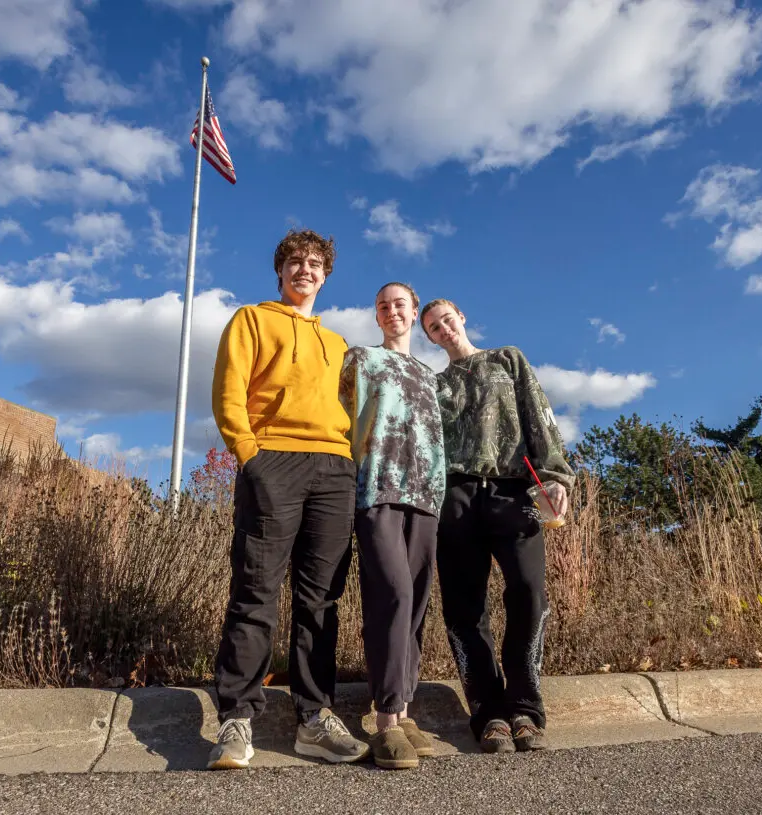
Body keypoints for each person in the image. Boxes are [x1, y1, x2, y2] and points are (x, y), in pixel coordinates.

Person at [206, 228, 370, 770]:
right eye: (295, 261)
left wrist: (350, 458)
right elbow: (229, 392)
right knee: (256, 588)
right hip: (273, 458)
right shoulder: (252, 320)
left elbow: (356, 407)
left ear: (325, 275)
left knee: (320, 599)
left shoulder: (340, 343)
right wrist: (250, 455)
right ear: (281, 272)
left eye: (316, 263)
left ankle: (314, 718)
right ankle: (236, 720)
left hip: (334, 469)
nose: (305, 269)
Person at [420, 298, 575, 754]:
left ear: (461, 317)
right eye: (433, 327)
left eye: (447, 319)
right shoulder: (434, 384)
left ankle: (525, 706)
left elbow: (538, 415)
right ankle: (488, 713)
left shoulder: (507, 359)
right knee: (465, 609)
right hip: (456, 498)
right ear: (428, 336)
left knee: (529, 592)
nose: (443, 329)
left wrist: (555, 476)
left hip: (513, 493)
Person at [338, 282, 446, 771]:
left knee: (418, 602)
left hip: (426, 498)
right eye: (383, 306)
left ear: (414, 311)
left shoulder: (430, 375)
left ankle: (404, 708)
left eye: (400, 304)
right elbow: (339, 419)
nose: (391, 311)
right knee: (393, 594)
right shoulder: (360, 359)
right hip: (377, 489)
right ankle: (384, 720)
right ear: (377, 316)